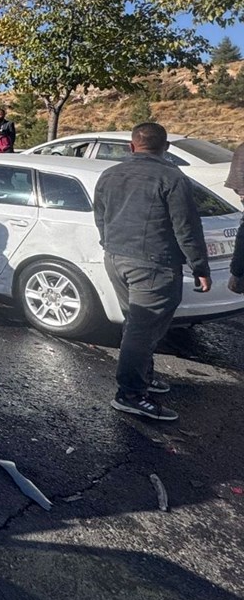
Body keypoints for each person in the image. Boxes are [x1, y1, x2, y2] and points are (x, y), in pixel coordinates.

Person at [93, 122, 211, 421]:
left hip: (117, 259)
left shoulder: (109, 174)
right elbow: (187, 228)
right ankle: (130, 394)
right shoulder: (172, 177)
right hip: (153, 264)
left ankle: (141, 378)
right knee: (142, 330)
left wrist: (109, 245)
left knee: (136, 325)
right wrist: (199, 266)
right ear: (166, 148)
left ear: (132, 146)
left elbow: (100, 217)